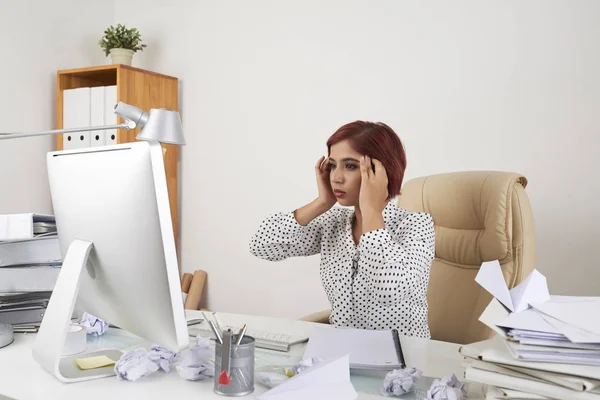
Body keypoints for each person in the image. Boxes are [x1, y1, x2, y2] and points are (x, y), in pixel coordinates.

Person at [249, 121, 435, 338]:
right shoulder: (334, 223)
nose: (336, 177)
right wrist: (321, 202)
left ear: (382, 172)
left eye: (350, 166)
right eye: (332, 165)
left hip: (401, 360)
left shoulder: (417, 225)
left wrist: (371, 211)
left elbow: (387, 290)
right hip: (341, 352)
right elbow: (262, 246)